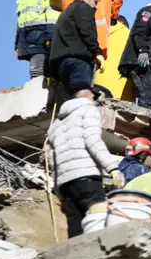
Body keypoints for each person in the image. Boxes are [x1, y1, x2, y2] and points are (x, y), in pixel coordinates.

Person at [47, 88, 125, 238]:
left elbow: (52, 162)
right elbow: (92, 140)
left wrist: (60, 195)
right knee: (98, 221)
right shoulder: (88, 110)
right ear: (87, 95)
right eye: (95, 97)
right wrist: (113, 168)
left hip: (66, 185)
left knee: (75, 229)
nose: (97, 101)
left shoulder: (55, 124)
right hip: (86, 177)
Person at [12, 0, 62, 79]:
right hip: (29, 36)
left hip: (43, 34)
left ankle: (41, 97)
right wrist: (17, 44)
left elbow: (55, 11)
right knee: (41, 72)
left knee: (37, 72)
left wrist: (51, 36)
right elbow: (22, 18)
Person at [49, 0, 106, 95]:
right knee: (83, 96)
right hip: (78, 60)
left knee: (71, 97)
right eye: (95, 1)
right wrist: (97, 53)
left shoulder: (67, 12)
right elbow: (87, 31)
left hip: (61, 64)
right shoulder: (82, 7)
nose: (96, 6)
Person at [93, 15, 135, 101]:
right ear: (125, 25)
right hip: (122, 91)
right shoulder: (131, 37)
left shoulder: (101, 34)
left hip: (97, 87)